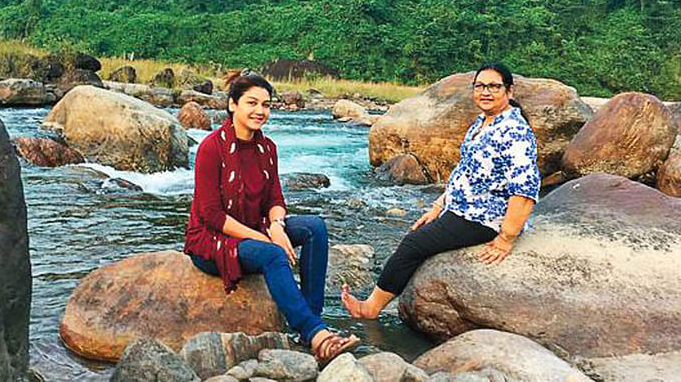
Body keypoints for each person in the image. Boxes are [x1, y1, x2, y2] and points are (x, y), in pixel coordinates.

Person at [184, 69, 360, 362]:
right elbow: (211, 215)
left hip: (257, 227)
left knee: (315, 227)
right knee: (272, 255)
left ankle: (310, 319)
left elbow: (276, 199)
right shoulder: (211, 148)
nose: (260, 111)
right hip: (211, 241)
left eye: (265, 105)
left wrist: (276, 226)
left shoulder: (267, 148)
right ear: (232, 105)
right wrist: (266, 238)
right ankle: (317, 336)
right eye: (251, 103)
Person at [342, 63, 541, 319]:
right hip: (462, 209)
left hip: (484, 218)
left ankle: (370, 308)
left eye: (494, 86)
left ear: (509, 91)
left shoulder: (515, 131)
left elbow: (525, 189)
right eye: (480, 86)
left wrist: (506, 239)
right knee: (417, 236)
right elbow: (465, 172)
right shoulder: (483, 123)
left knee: (413, 244)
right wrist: (437, 207)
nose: (486, 92)